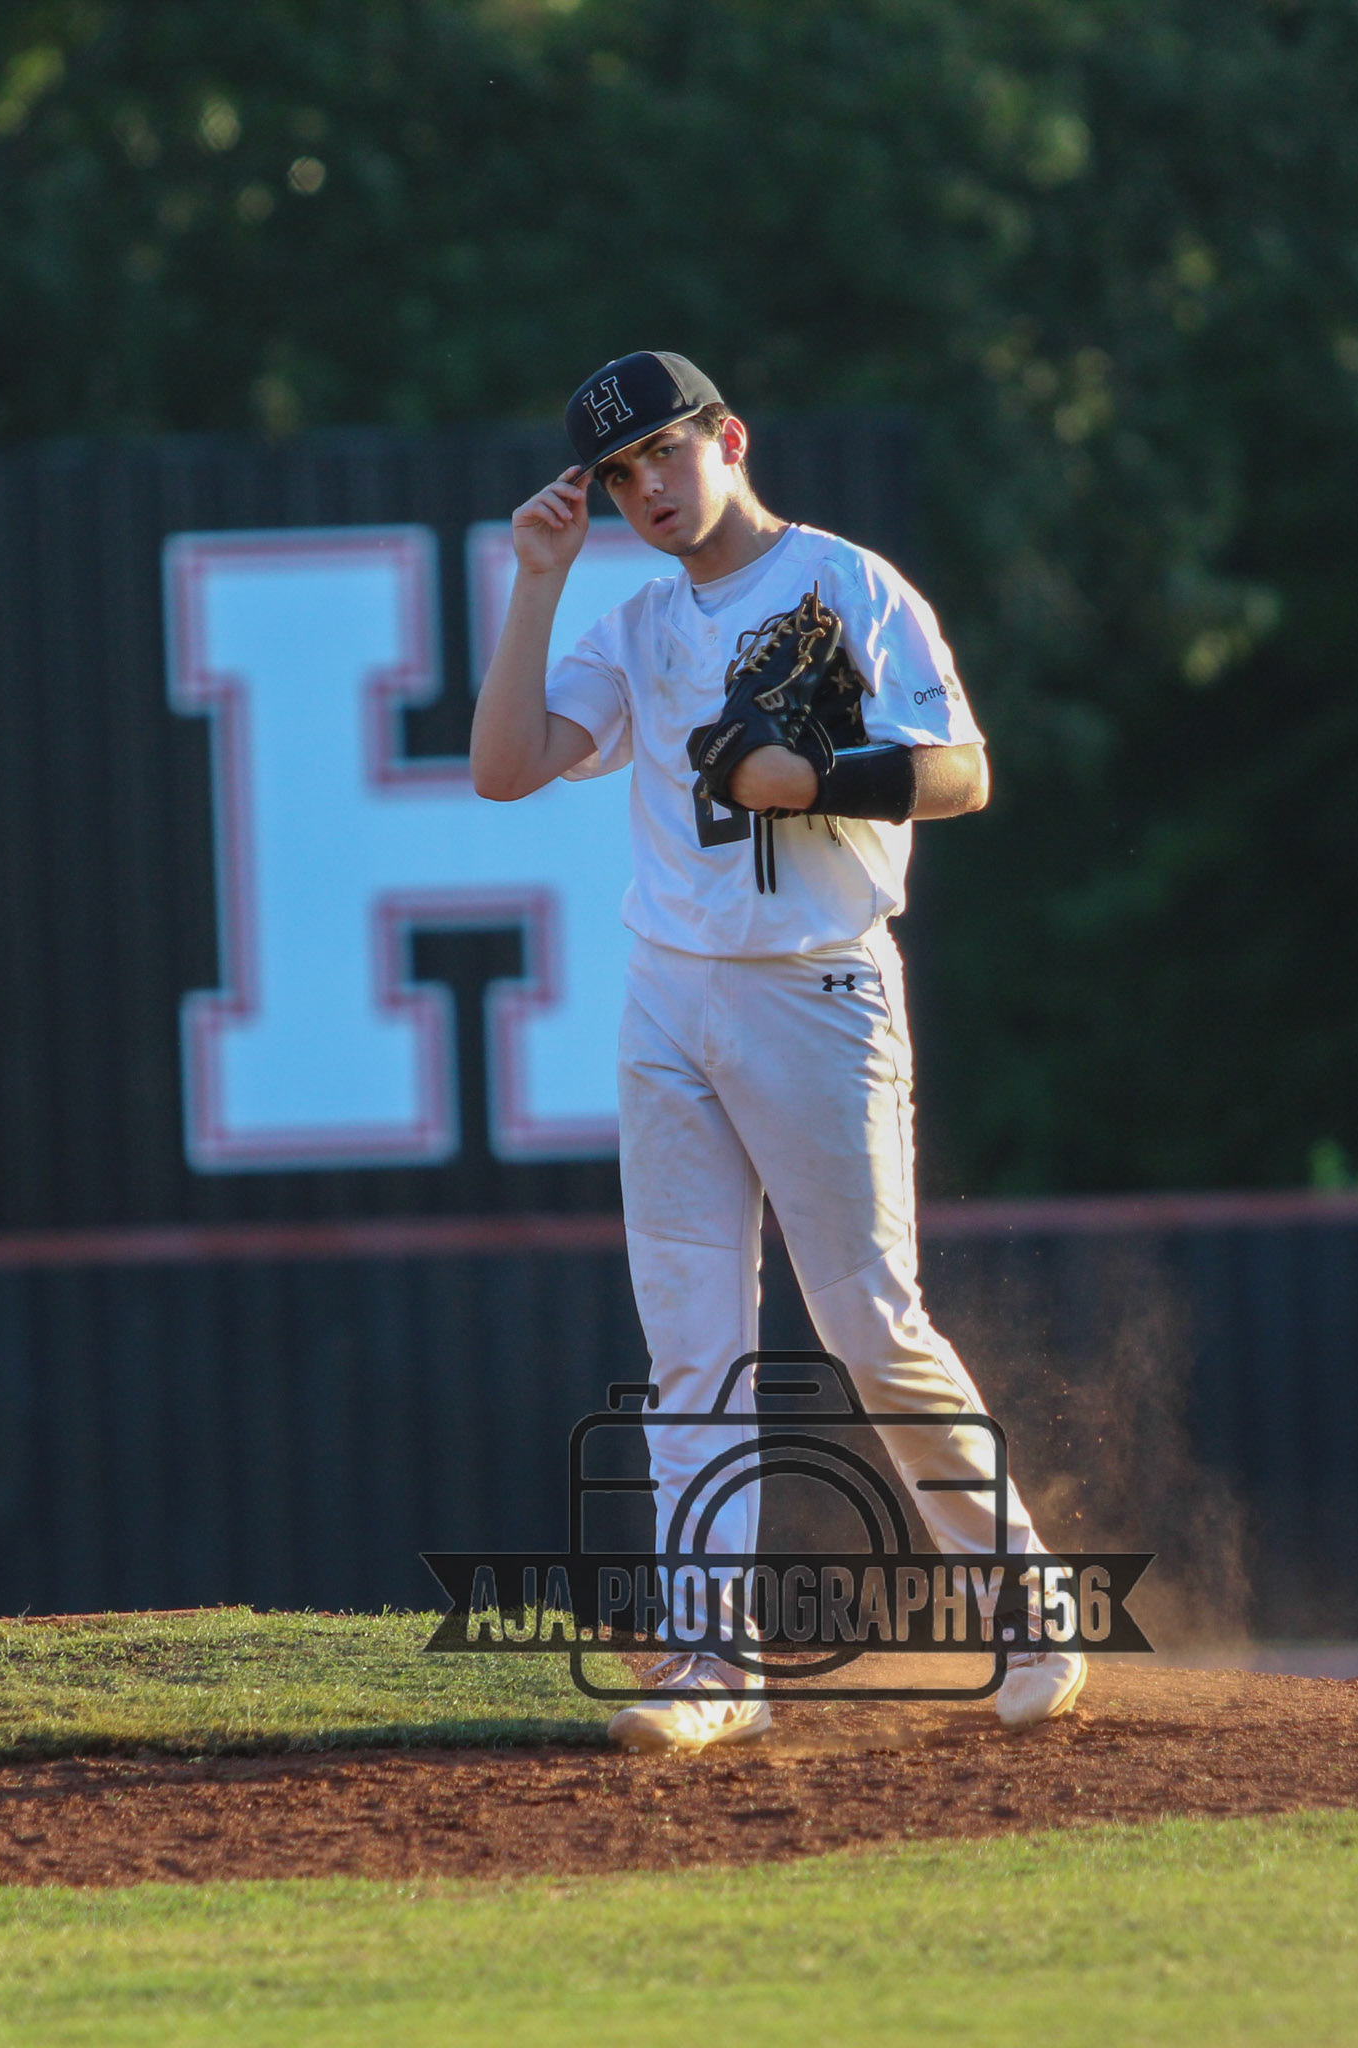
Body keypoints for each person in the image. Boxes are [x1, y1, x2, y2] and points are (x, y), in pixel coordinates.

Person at [470, 350, 1084, 1751]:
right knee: (690, 1344)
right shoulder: (633, 624)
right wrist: (537, 580)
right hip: (667, 995)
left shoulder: (845, 582)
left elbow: (965, 771)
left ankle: (1030, 1609)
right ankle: (712, 1665)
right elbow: (504, 767)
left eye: (666, 452)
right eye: (620, 474)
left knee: (870, 1327)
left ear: (729, 438)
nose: (647, 486)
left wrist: (813, 780)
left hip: (816, 986)